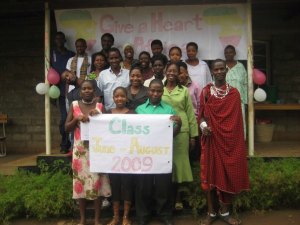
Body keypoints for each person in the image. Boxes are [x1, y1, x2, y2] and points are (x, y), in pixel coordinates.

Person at [198, 59, 249, 225]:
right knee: (210, 176)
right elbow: (201, 117)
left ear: (226, 71)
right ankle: (211, 213)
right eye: (216, 69)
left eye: (222, 69)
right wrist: (204, 126)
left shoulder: (234, 93)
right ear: (212, 72)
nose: (219, 72)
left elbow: (236, 121)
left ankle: (225, 212)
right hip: (211, 141)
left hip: (230, 144)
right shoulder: (206, 92)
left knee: (229, 175)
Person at [135, 79, 182, 225]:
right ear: (148, 91)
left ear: (162, 92)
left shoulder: (169, 110)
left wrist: (179, 125)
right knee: (143, 185)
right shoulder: (139, 110)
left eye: (159, 91)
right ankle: (143, 215)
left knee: (164, 185)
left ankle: (165, 214)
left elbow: (173, 134)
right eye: (153, 90)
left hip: (162, 153)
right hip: (144, 152)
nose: (155, 93)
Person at [65, 80, 111, 225]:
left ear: (94, 91)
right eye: (84, 88)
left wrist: (97, 116)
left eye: (89, 88)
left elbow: (107, 128)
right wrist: (76, 119)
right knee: (81, 184)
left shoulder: (99, 106)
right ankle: (83, 219)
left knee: (96, 183)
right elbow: (66, 128)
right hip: (80, 150)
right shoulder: (74, 106)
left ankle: (97, 219)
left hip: (97, 149)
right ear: (80, 91)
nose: (86, 91)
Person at [162, 62, 198, 211]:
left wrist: (193, 136)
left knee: (179, 165)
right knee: (164, 165)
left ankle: (178, 199)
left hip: (181, 132)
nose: (171, 73)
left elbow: (190, 113)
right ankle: (165, 199)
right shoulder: (159, 89)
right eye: (169, 70)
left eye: (174, 71)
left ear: (178, 74)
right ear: (165, 72)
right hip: (162, 132)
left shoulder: (183, 91)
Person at [106, 87, 135, 225]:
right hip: (113, 158)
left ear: (126, 98)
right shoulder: (106, 114)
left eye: (122, 96)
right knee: (115, 185)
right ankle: (115, 216)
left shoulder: (132, 114)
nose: (119, 99)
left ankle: (125, 217)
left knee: (127, 185)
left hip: (128, 157)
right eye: (117, 96)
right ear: (113, 98)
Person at [50, 31, 75, 154]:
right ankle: (65, 144)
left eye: (61, 39)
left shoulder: (71, 55)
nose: (59, 41)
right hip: (59, 91)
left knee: (74, 118)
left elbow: (86, 74)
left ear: (65, 40)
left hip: (74, 91)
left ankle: (73, 145)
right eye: (57, 39)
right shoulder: (51, 53)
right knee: (64, 118)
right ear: (55, 41)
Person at [177, 61, 201, 163]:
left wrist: (199, 122)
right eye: (176, 73)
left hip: (193, 121)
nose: (179, 76)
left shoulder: (195, 86)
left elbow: (200, 105)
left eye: (181, 73)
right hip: (179, 122)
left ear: (186, 73)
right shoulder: (174, 87)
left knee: (193, 147)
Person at [224, 45, 248, 139]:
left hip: (239, 101)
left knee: (239, 123)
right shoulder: (221, 66)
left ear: (234, 53)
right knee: (226, 124)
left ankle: (240, 145)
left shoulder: (240, 67)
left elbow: (245, 84)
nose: (228, 54)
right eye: (226, 52)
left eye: (230, 52)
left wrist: (245, 101)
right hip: (224, 102)